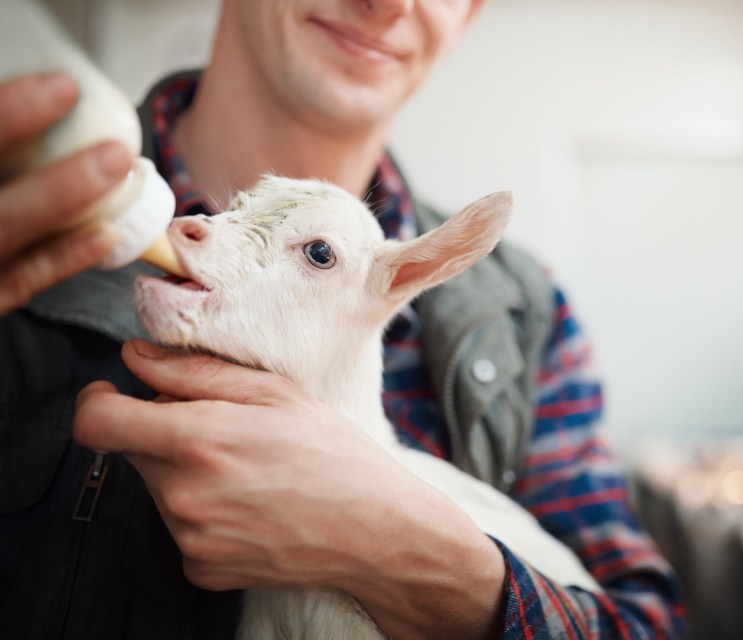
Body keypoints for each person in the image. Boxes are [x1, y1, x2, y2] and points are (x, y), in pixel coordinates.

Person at [0, 1, 685, 638]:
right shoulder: (25, 192)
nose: (388, 1)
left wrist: (419, 561)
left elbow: (653, 622)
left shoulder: (525, 318)